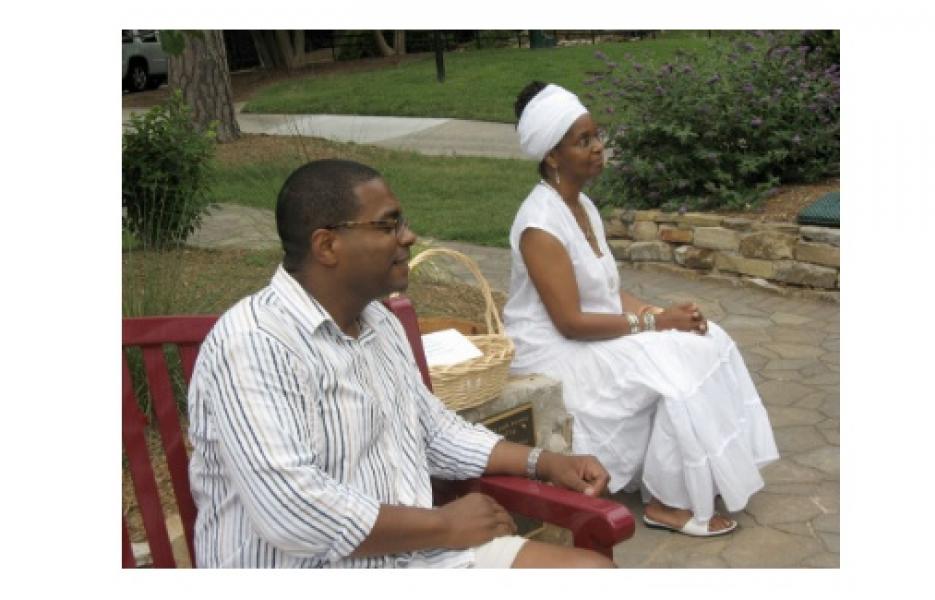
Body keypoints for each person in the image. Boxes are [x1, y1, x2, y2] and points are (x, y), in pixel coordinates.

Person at [186, 158, 616, 568]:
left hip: (410, 559)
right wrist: (443, 525)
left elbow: (434, 432)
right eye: (389, 224)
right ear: (327, 245)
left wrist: (543, 461)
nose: (407, 237)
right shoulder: (254, 343)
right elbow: (291, 509)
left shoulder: (378, 323)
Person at [504, 82, 780, 537]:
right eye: (583, 141)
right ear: (552, 156)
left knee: (706, 339)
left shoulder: (582, 205)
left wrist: (663, 313)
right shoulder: (539, 224)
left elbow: (607, 292)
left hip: (589, 331)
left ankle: (700, 473)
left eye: (597, 136)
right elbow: (571, 322)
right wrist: (653, 324)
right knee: (670, 364)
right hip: (552, 348)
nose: (598, 148)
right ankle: (670, 502)